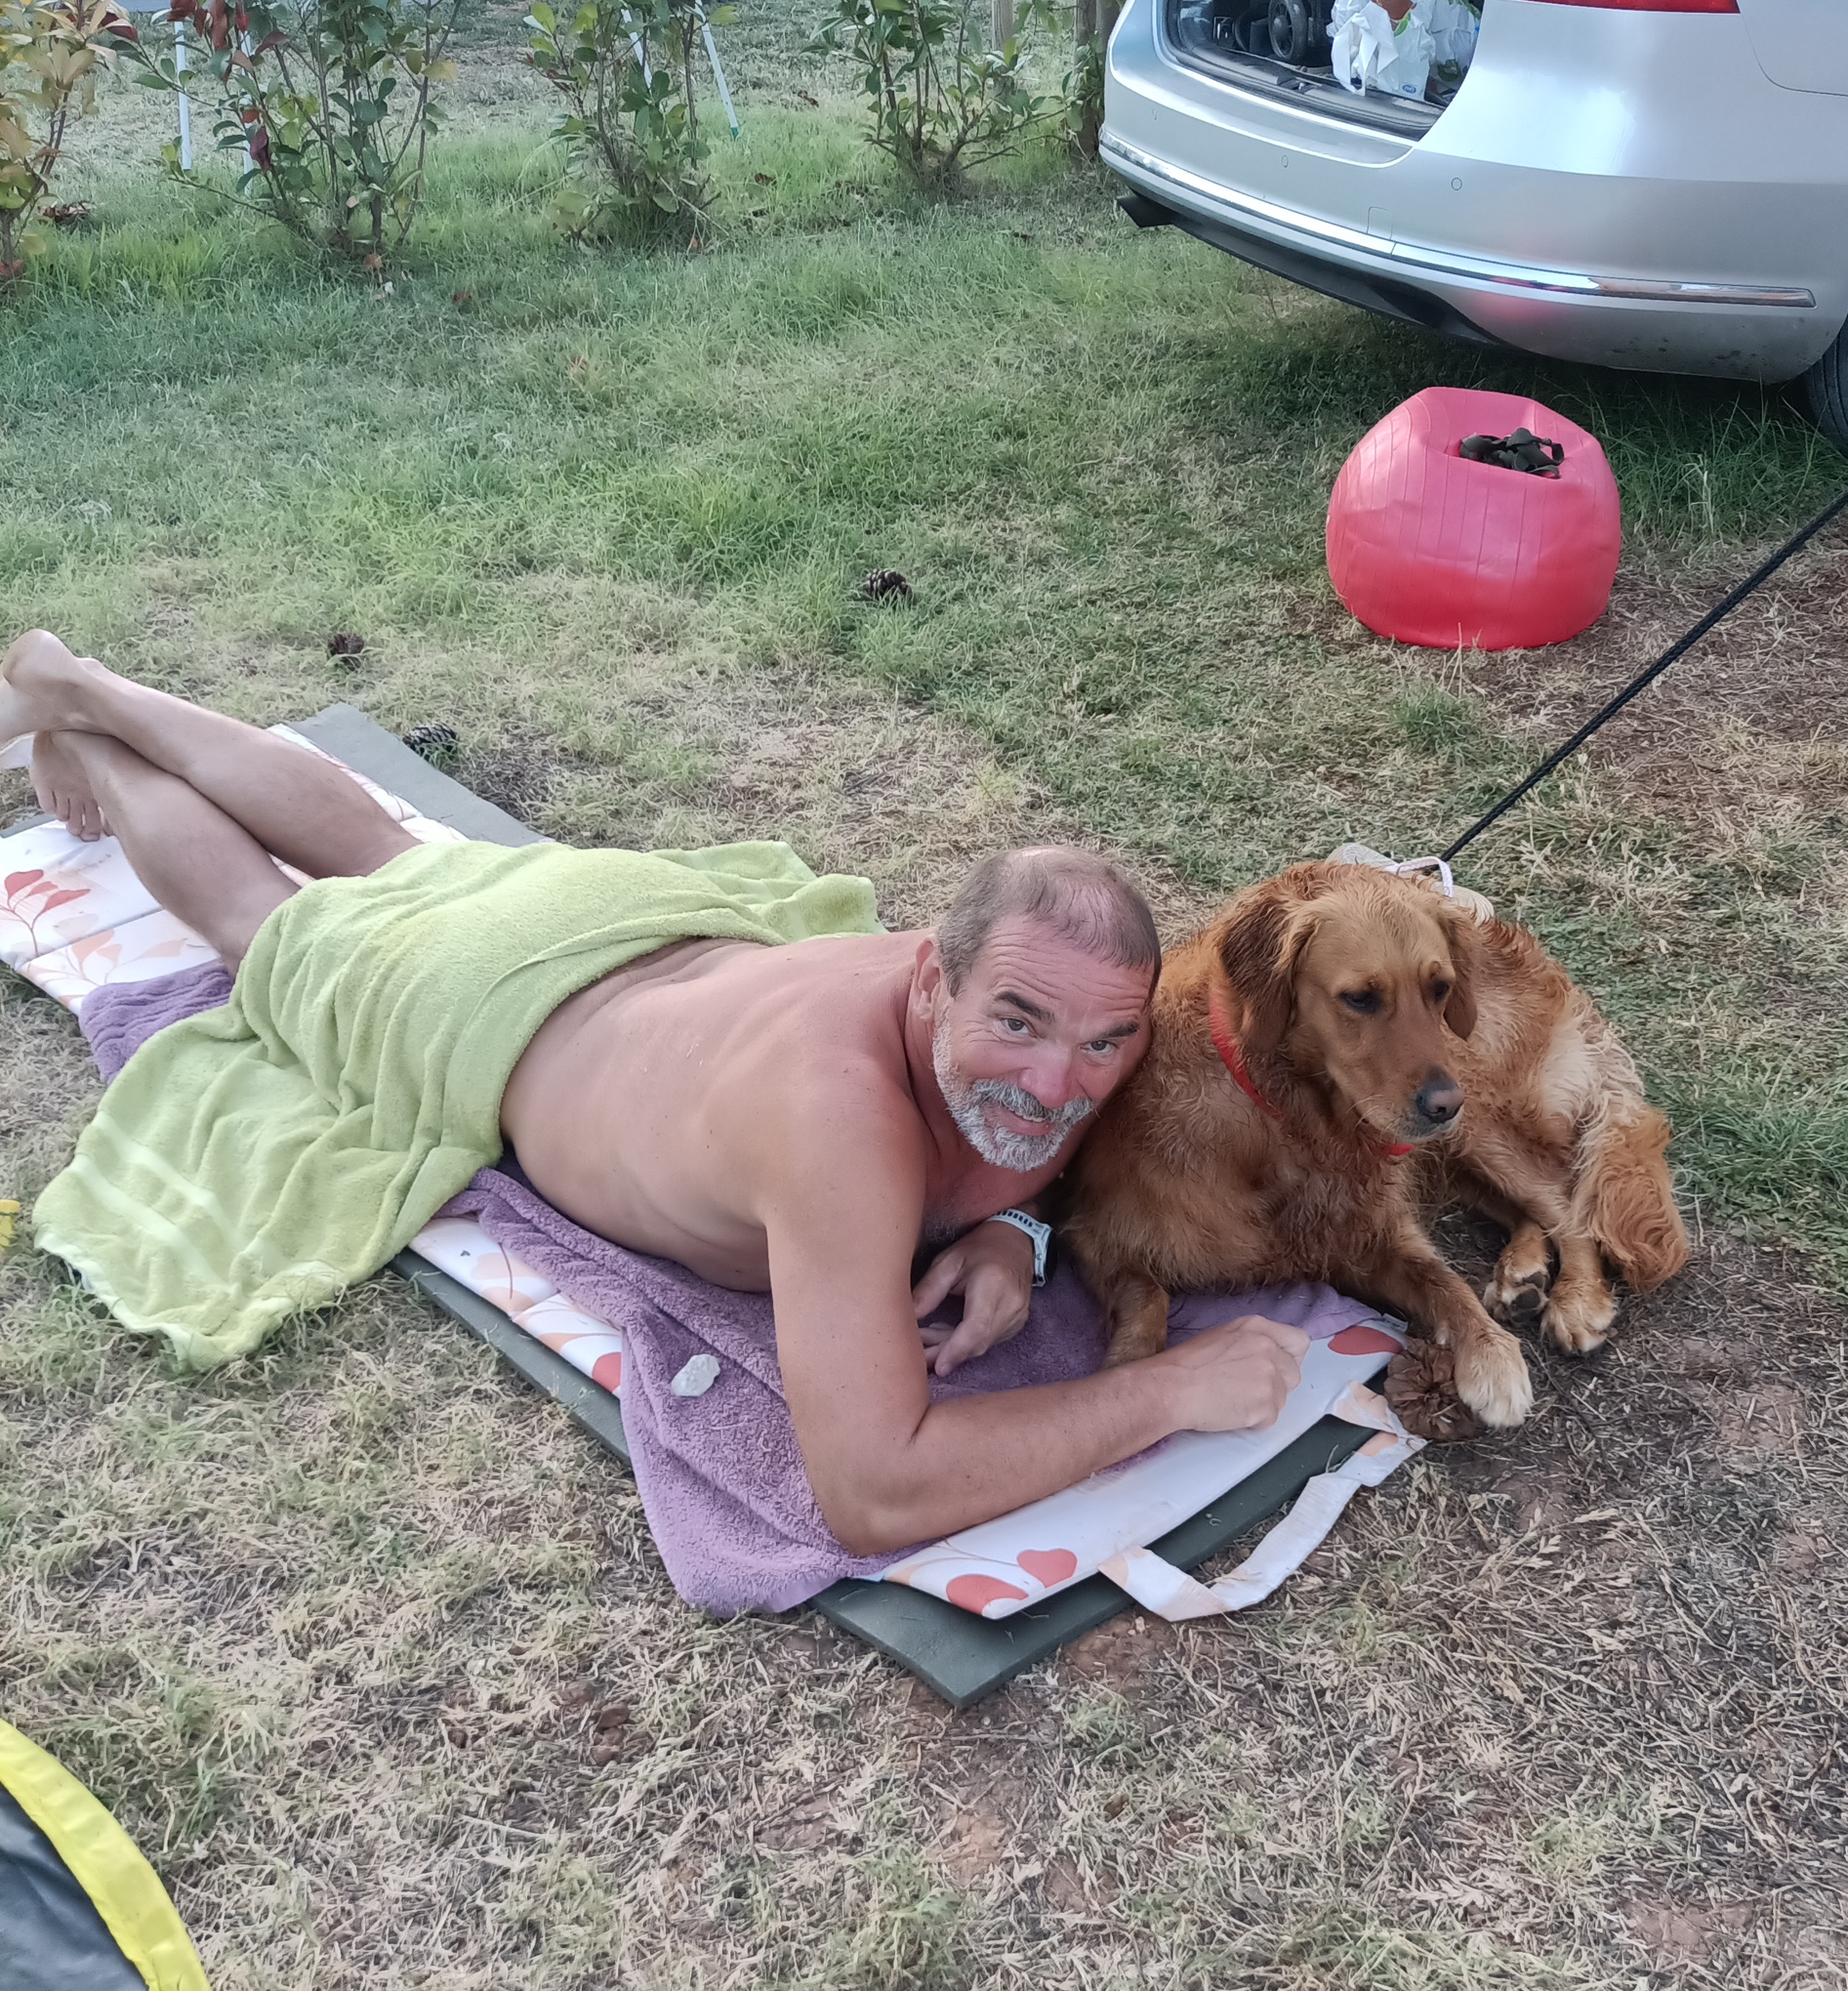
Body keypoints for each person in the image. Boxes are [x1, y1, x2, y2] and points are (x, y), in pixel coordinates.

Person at [2, 632, 1304, 1550]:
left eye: (1104, 1044)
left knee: (397, 853)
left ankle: (85, 681)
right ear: (931, 978)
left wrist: (1015, 1226)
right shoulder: (837, 1123)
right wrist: (1169, 1392)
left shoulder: (1040, 1011)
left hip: (623, 914)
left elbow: (1051, 1112)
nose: (1056, 1086)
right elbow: (876, 1490)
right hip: (486, 1005)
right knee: (268, 927)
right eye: (1017, 1023)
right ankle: (98, 744)